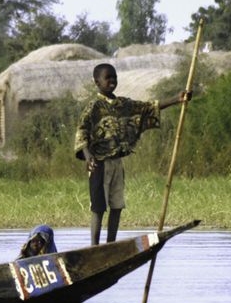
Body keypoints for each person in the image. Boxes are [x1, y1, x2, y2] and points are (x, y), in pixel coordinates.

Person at [74, 63, 190, 245]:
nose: (112, 81)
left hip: (116, 163)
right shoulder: (94, 107)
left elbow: (147, 108)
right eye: (107, 78)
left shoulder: (123, 105)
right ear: (97, 82)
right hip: (99, 163)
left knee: (117, 205)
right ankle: (94, 246)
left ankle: (111, 244)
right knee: (98, 207)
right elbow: (82, 132)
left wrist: (177, 99)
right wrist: (88, 157)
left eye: (114, 77)